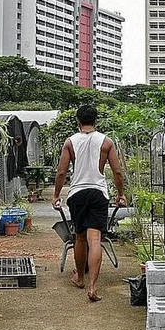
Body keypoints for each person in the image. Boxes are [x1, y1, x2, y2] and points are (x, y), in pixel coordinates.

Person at [52, 104, 125, 302]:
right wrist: (121, 194)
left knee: (80, 238)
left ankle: (80, 278)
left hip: (77, 193)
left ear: (78, 121)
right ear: (95, 121)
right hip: (98, 193)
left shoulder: (70, 142)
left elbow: (61, 172)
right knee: (95, 239)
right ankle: (93, 287)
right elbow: (117, 172)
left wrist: (56, 195)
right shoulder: (106, 141)